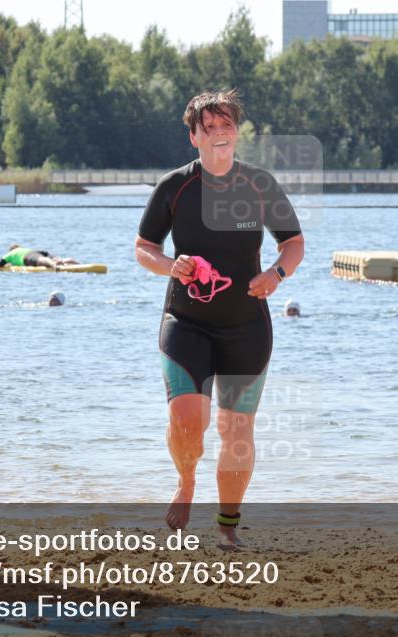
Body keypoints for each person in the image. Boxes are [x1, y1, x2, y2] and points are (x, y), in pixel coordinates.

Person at [134, 90, 305, 546]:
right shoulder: (174, 187)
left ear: (236, 131)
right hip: (185, 321)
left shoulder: (259, 184)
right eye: (208, 127)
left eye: (226, 124)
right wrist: (171, 264)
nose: (219, 133)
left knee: (236, 430)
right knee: (188, 421)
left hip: (246, 326)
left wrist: (277, 273)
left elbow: (294, 243)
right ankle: (187, 481)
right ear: (193, 137)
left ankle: (228, 526)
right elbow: (143, 249)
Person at [0, 244, 79, 271]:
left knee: (43, 261)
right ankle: (77, 264)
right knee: (60, 260)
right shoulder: (23, 249)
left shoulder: (10, 254)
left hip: (27, 257)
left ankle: (54, 265)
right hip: (35, 251)